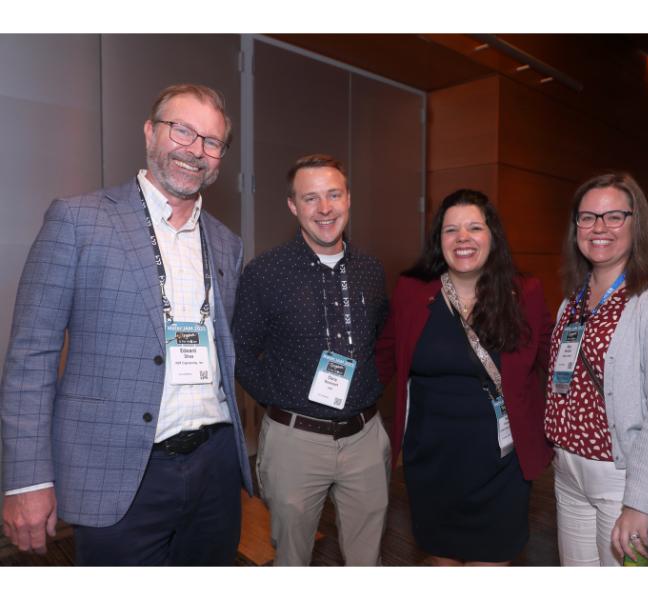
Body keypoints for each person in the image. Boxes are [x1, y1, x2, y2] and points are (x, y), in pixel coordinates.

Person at [0, 84, 251, 565]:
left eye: (212, 141)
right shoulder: (78, 220)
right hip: (117, 470)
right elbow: (31, 355)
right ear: (150, 132)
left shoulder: (226, 243)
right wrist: (27, 480)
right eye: (182, 130)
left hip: (214, 468)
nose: (195, 150)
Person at [376, 189, 553, 566]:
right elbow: (384, 356)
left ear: (493, 235)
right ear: (438, 240)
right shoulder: (412, 291)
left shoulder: (525, 292)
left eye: (474, 227)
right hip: (431, 463)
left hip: (502, 466)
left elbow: (554, 362)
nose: (462, 238)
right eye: (451, 229)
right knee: (441, 563)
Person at [233, 154, 391, 566]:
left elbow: (382, 339)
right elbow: (240, 351)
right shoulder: (265, 273)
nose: (324, 209)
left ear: (348, 199)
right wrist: (281, 399)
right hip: (295, 442)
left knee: (367, 562)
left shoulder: (371, 270)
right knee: (292, 561)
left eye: (333, 195)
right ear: (293, 206)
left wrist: (372, 387)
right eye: (310, 198)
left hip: (364, 438)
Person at [545, 172, 648, 566]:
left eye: (614, 216)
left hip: (628, 477)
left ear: (637, 223)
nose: (599, 228)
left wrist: (642, 503)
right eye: (587, 217)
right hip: (570, 472)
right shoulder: (574, 298)